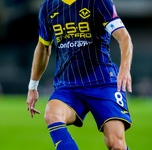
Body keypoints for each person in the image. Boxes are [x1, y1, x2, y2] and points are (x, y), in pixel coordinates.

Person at [26, 0, 133, 149]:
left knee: (116, 145)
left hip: (102, 83)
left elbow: (124, 37)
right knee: (52, 114)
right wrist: (33, 86)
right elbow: (43, 47)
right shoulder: (48, 6)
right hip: (68, 85)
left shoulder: (99, 2)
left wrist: (124, 68)